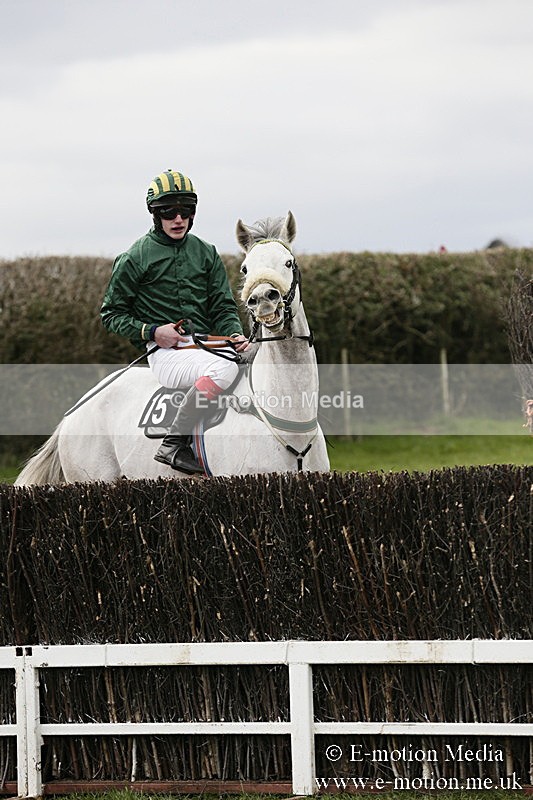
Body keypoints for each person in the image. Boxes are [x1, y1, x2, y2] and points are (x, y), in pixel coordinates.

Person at [101, 169, 248, 474]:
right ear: (155, 214)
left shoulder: (206, 253)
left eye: (186, 210)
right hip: (166, 354)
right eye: (169, 211)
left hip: (209, 346)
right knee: (225, 368)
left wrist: (233, 333)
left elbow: (223, 306)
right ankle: (172, 444)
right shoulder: (134, 258)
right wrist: (152, 331)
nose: (178, 219)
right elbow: (111, 314)